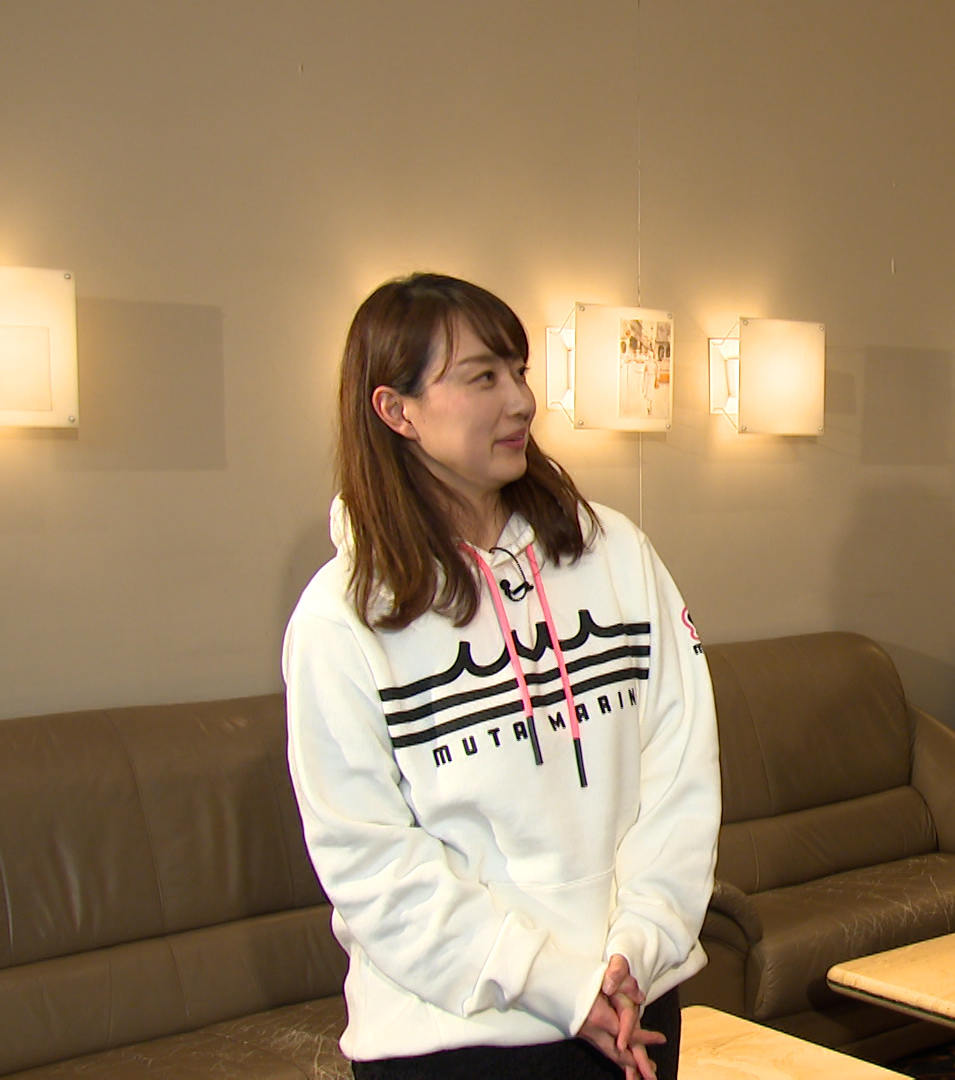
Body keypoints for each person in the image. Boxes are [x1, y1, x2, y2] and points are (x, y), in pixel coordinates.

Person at [284, 273, 720, 1080]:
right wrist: (554, 984)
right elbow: (370, 863)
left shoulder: (617, 554)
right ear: (397, 410)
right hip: (455, 1038)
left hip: (635, 1004)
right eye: (482, 377)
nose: (521, 400)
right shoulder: (340, 619)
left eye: (518, 371)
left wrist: (639, 947)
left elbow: (680, 773)